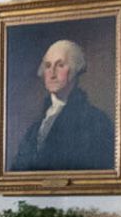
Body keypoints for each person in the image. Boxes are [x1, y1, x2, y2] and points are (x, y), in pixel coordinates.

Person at [10, 38, 115, 171]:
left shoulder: (96, 121)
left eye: (60, 65)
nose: (52, 74)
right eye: (48, 66)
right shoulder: (34, 129)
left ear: (75, 69)